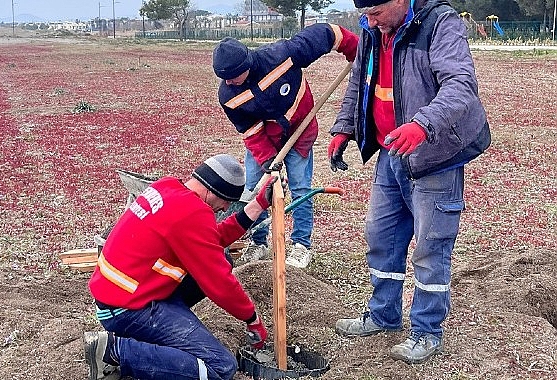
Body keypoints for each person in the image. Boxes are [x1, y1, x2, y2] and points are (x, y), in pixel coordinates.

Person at [327, 0, 491, 365]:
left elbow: (461, 86)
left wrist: (423, 125)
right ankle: (384, 313)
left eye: (376, 13)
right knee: (381, 236)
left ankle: (427, 332)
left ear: (400, 0)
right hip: (391, 152)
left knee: (431, 247)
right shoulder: (374, 28)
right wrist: (345, 127)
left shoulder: (439, 23)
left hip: (435, 154)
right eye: (366, 15)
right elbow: (360, 81)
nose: (369, 22)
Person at [84, 154, 279, 380]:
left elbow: (210, 241)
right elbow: (220, 282)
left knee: (222, 257)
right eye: (226, 200)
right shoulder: (192, 213)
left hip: (122, 293)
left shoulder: (168, 187)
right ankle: (114, 352)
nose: (225, 207)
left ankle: (147, 338)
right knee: (220, 367)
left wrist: (256, 206)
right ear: (211, 191)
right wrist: (251, 318)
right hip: (127, 310)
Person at [212, 23, 359, 268]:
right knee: (255, 189)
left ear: (245, 65)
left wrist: (356, 51)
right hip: (265, 140)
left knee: (300, 188)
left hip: (299, 132)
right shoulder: (229, 95)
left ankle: (301, 245)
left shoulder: (281, 56)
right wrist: (268, 160)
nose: (229, 82)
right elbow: (250, 130)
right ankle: (259, 243)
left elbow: (327, 34)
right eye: (224, 78)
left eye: (232, 76)